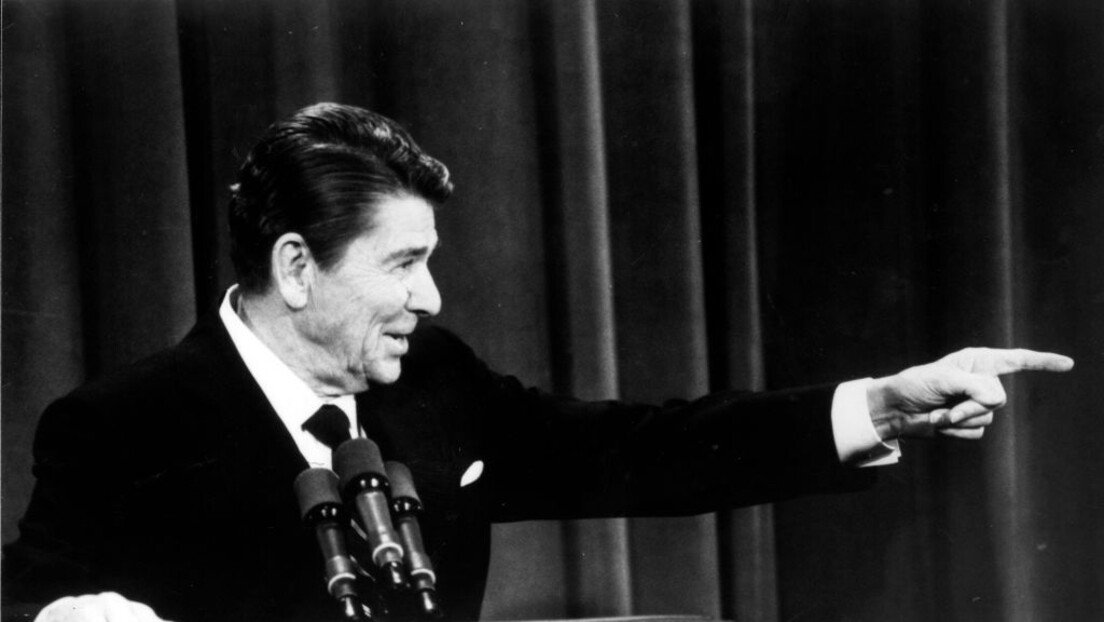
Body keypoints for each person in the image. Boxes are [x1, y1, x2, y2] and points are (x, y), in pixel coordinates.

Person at [2, 103, 1074, 622]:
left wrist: (879, 406)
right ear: (296, 266)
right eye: (404, 263)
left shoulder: (432, 380)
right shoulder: (122, 427)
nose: (431, 297)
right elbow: (33, 603)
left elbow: (636, 450)